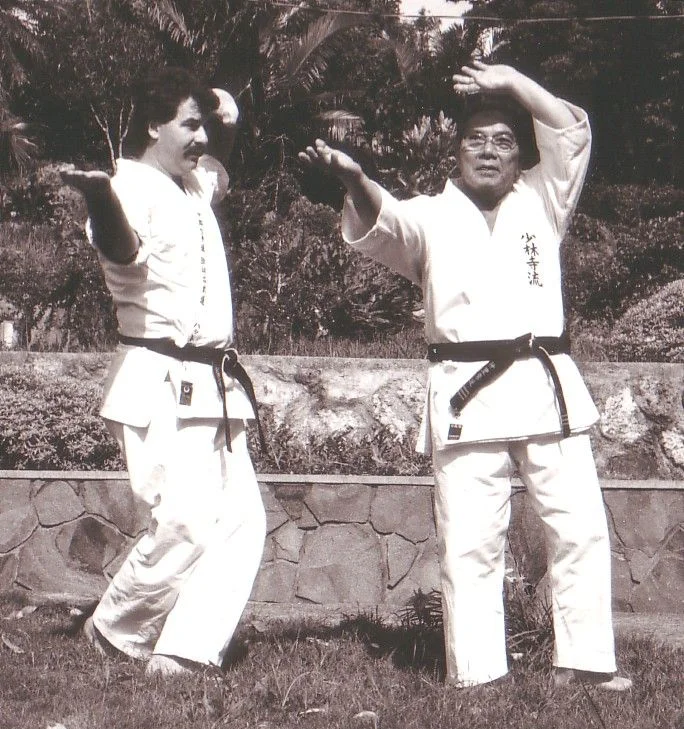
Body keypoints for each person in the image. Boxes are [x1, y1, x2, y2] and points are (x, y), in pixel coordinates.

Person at [299, 60, 631, 691]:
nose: (488, 150)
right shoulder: (430, 215)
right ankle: (477, 674)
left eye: (503, 140)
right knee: (471, 540)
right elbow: (382, 221)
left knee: (580, 525)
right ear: (455, 152)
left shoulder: (543, 197)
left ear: (520, 156)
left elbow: (570, 132)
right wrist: (355, 177)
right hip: (466, 390)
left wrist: (508, 81)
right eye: (475, 139)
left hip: (544, 381)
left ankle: (585, 664)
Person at [61, 67, 266, 676]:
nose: (200, 138)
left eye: (202, 126)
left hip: (215, 381)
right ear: (153, 125)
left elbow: (216, 159)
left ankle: (184, 650)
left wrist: (223, 120)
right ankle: (113, 630)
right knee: (183, 518)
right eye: (188, 124)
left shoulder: (194, 184)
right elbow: (121, 249)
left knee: (242, 520)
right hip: (157, 375)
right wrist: (98, 194)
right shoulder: (128, 186)